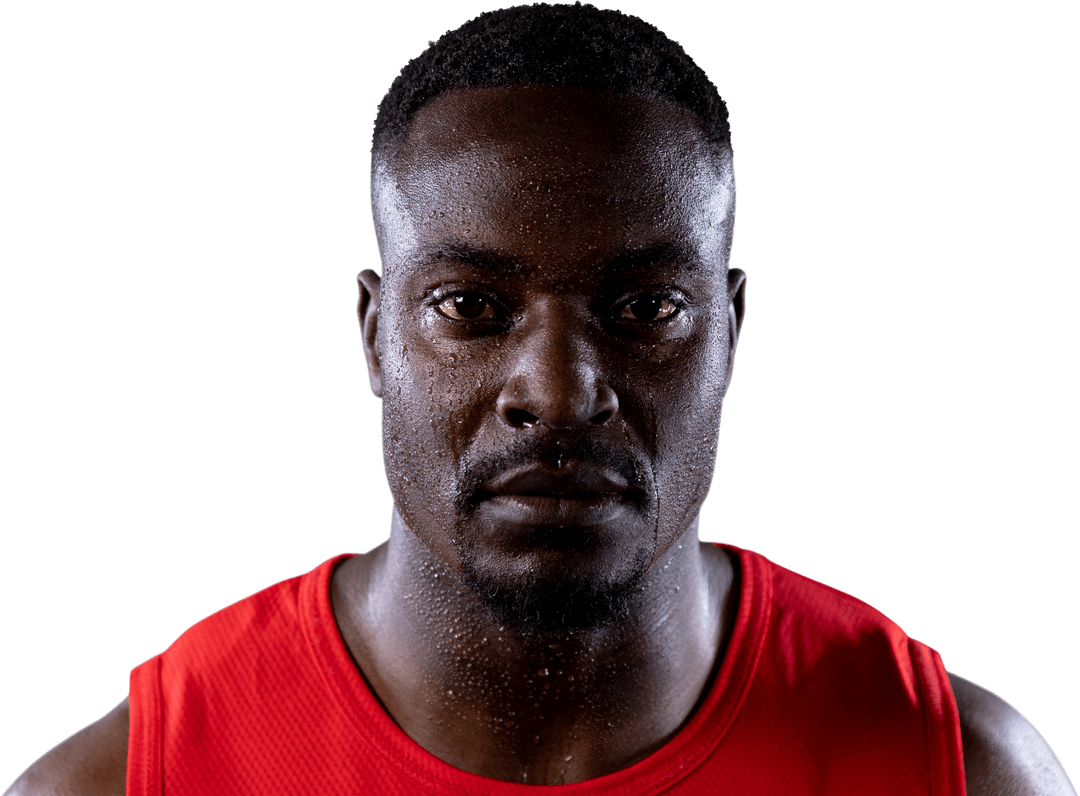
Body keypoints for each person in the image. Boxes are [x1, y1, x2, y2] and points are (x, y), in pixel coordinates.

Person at [6, 4, 1075, 795]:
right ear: (377, 334)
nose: (560, 390)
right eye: (472, 304)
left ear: (732, 333)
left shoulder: (958, 770)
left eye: (644, 306)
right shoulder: (135, 778)